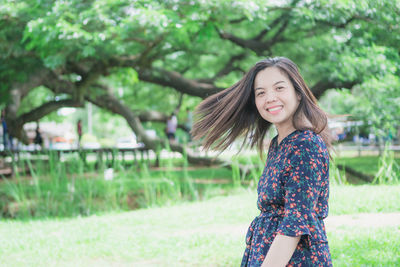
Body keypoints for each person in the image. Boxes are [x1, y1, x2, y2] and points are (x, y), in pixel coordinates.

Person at [192, 57, 333, 266]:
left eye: (279, 88)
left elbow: (295, 225)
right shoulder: (279, 144)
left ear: (298, 93)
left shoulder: (306, 146)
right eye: (261, 93)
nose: (270, 98)